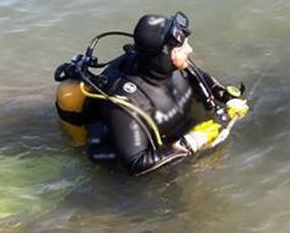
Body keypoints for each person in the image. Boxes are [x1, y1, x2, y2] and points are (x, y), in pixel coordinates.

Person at [54, 12, 249, 176]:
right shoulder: (124, 103)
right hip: (128, 166)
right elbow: (136, 164)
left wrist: (224, 95)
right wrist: (190, 143)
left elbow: (200, 77)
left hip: (173, 132)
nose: (190, 50)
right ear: (164, 56)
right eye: (182, 48)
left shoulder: (176, 64)